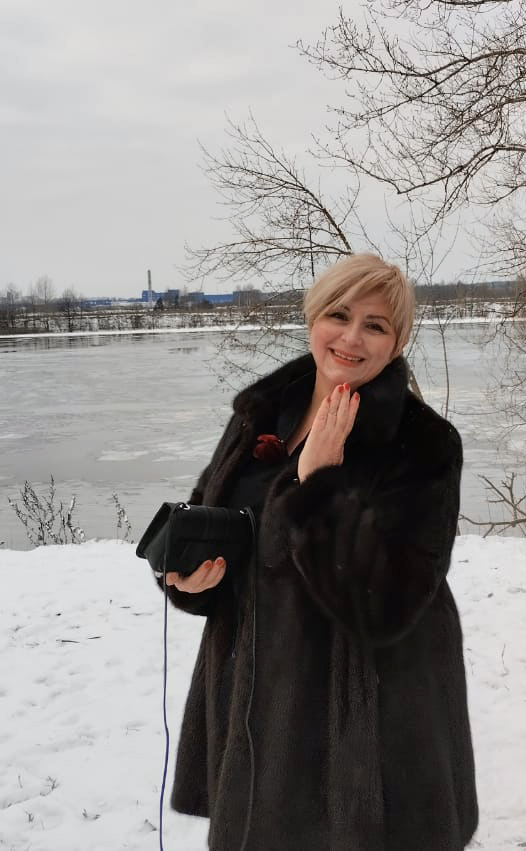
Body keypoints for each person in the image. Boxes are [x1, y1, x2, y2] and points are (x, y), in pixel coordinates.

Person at [159, 253, 478, 850]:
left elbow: (390, 603)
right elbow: (217, 518)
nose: (351, 338)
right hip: (254, 685)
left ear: (397, 342)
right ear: (313, 318)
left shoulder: (422, 443)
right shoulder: (261, 415)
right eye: (339, 315)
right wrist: (191, 575)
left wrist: (319, 484)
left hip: (360, 708)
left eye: (375, 325)